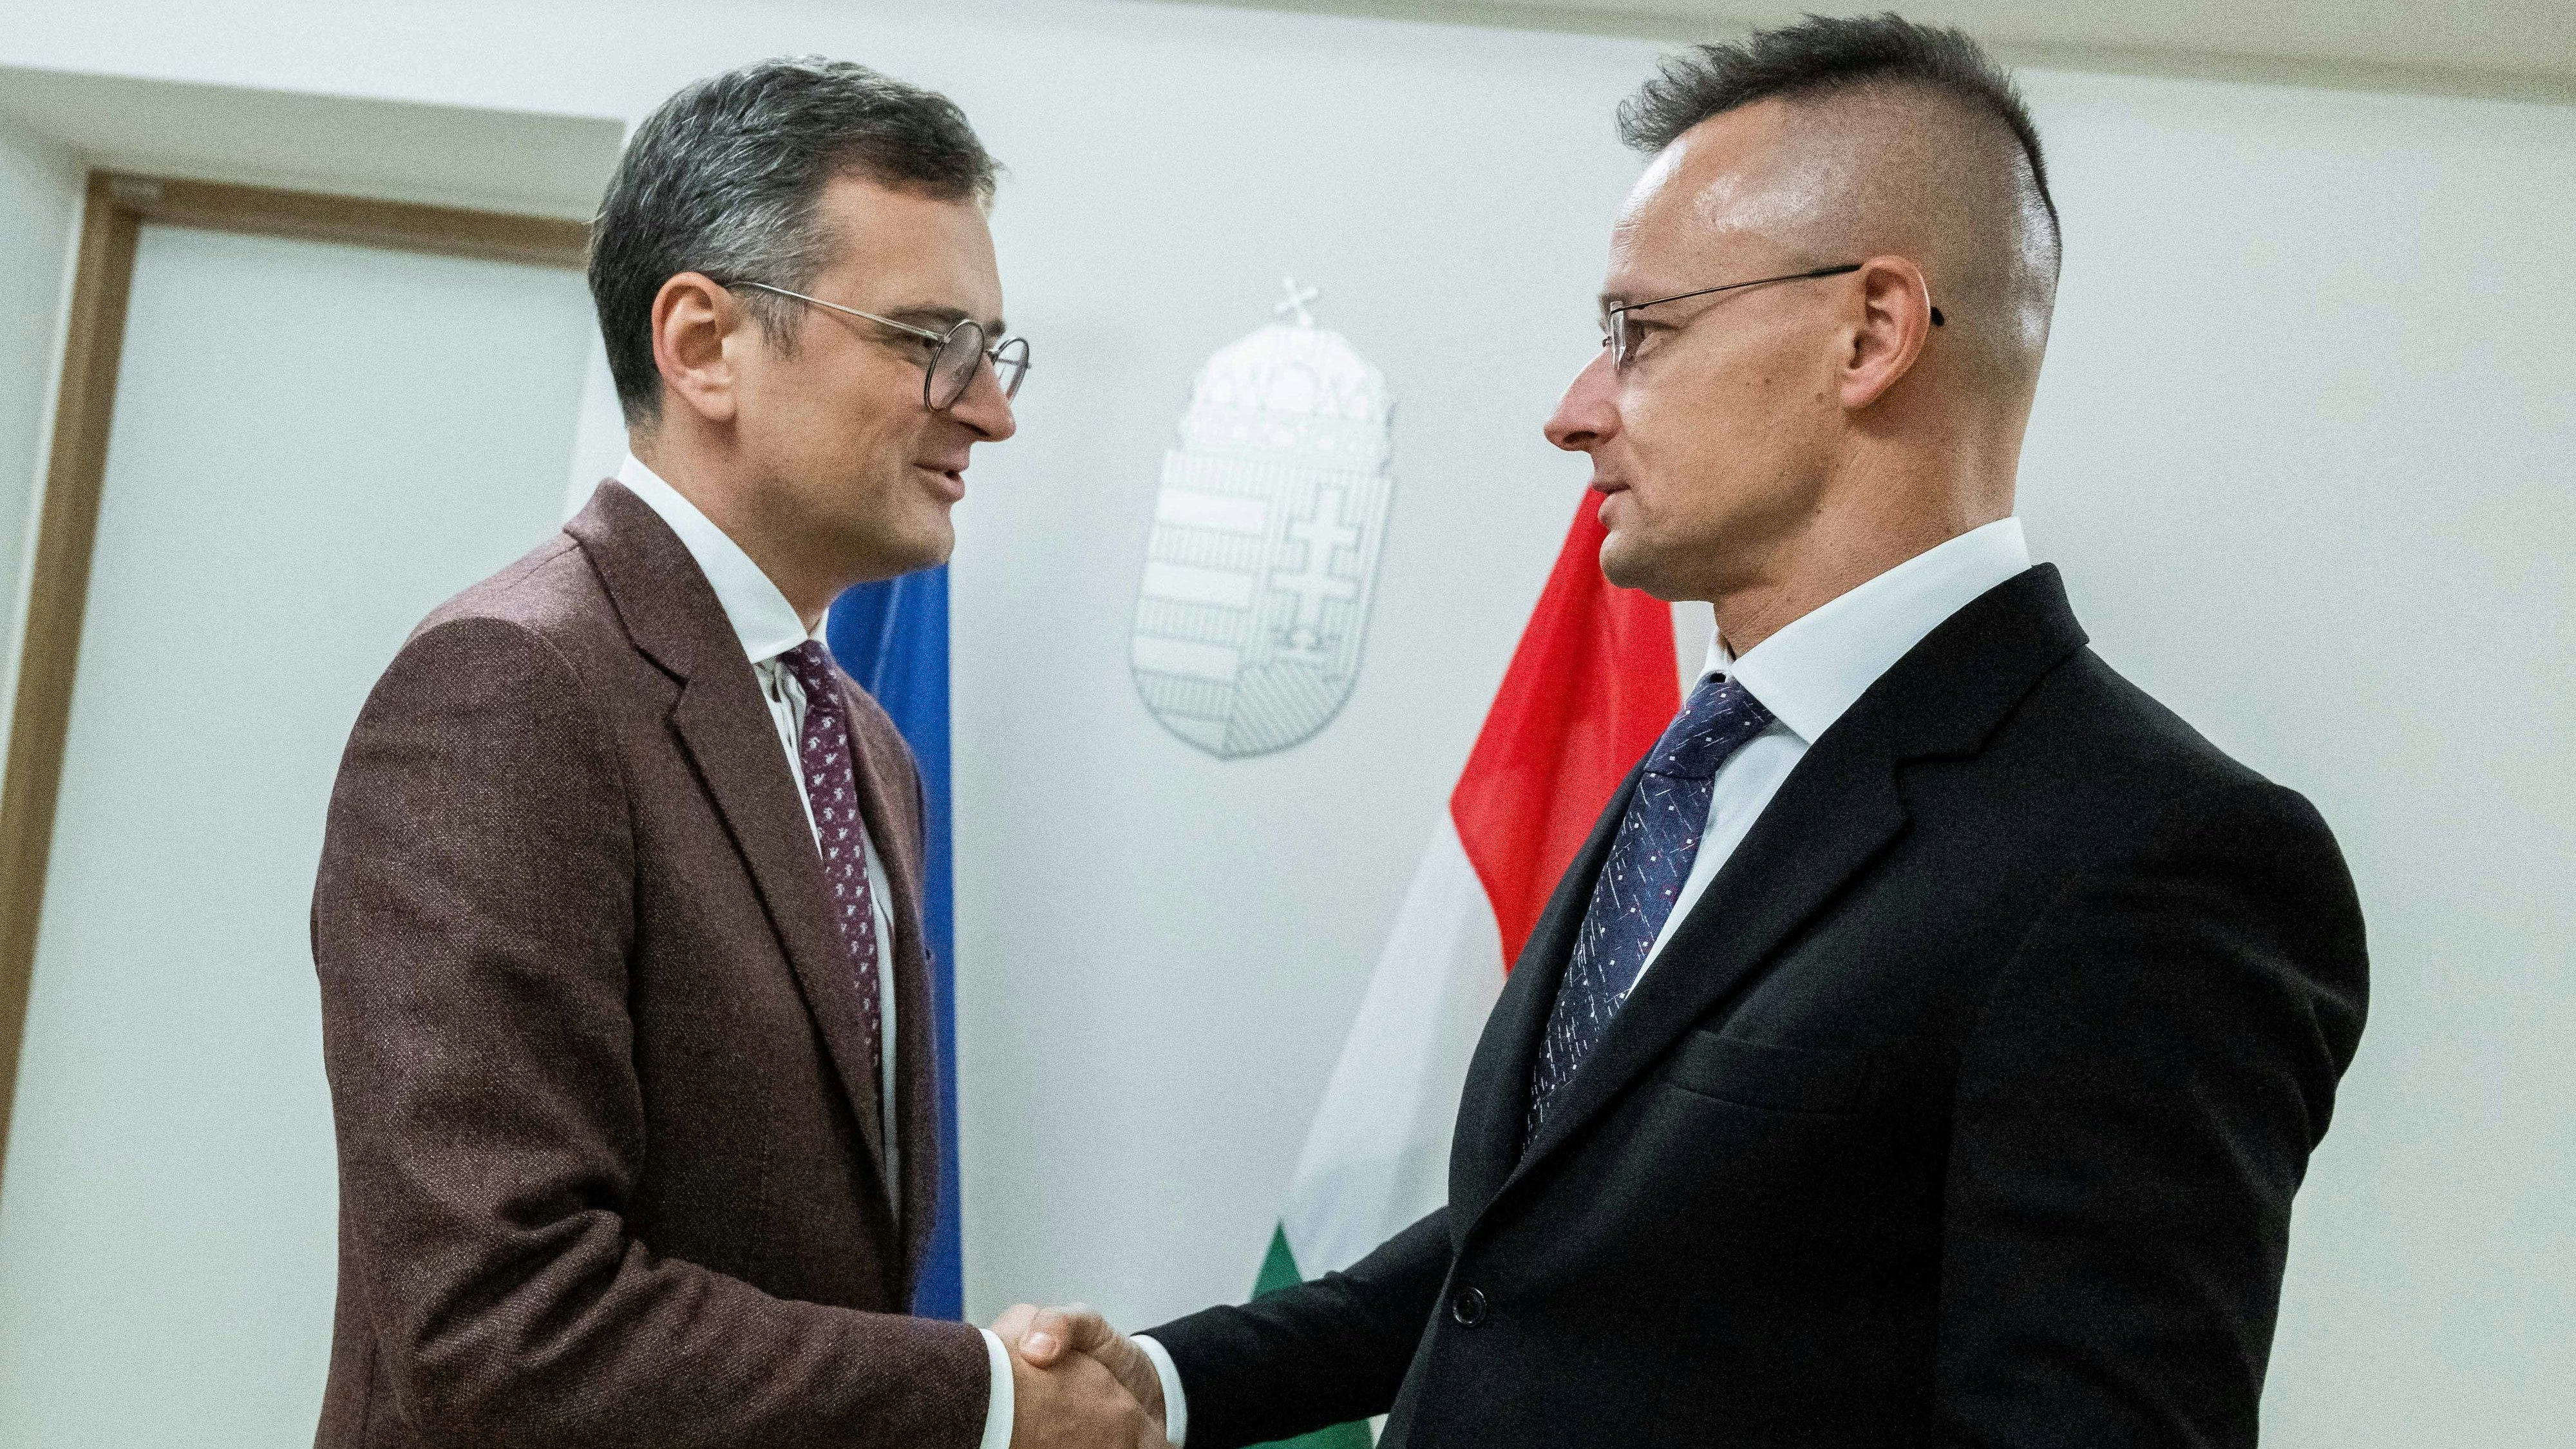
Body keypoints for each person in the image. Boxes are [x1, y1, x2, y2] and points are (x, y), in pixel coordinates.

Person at [1009, 15, 2367, 1448]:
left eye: (1635, 332)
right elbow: (1534, 1252)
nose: (1571, 410)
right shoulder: (1701, 758)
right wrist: (1159, 1386)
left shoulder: (2151, 853)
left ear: (1869, 332)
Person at [311, 59, 1154, 1449]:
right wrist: (985, 1401)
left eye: (991, 352)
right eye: (927, 341)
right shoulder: (509, 688)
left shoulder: (866, 746)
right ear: (703, 345)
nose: (989, 410)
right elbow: (498, 1316)